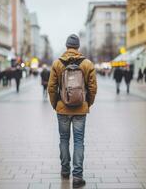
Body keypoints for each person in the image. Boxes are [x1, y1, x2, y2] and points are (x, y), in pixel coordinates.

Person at [48, 34, 97, 188]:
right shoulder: (87, 64)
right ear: (78, 47)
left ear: (66, 46)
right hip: (80, 109)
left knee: (63, 139)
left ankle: (64, 170)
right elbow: (93, 88)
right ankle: (77, 176)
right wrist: (88, 103)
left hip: (62, 108)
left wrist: (55, 104)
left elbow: (51, 87)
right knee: (78, 141)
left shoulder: (57, 63)